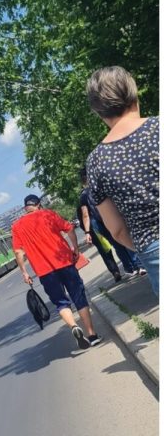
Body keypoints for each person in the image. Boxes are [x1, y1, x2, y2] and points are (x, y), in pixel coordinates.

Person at [84, 66, 159, 299]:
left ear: (98, 111)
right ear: (133, 92)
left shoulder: (96, 161)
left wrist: (146, 249)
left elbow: (116, 230)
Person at [11, 193, 104, 350]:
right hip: (65, 262)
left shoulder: (17, 226)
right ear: (39, 205)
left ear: (26, 208)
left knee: (61, 303)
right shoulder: (48, 214)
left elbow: (19, 252)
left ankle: (74, 326)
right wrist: (75, 248)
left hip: (45, 272)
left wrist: (24, 272)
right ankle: (92, 335)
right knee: (79, 297)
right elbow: (69, 229)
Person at [77, 170, 141, 285]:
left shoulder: (83, 196)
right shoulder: (100, 187)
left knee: (117, 244)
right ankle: (139, 265)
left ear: (82, 181)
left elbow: (85, 215)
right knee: (126, 239)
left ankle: (130, 268)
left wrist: (87, 232)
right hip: (111, 217)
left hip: (99, 224)